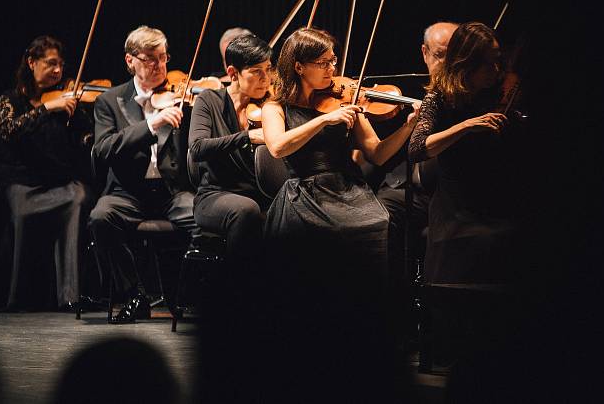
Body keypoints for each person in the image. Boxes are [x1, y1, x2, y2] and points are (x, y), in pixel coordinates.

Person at [260, 28, 419, 272]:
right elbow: (277, 147)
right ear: (299, 67)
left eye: (333, 60)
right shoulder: (276, 107)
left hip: (348, 187)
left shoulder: (347, 101)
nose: (332, 69)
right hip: (305, 192)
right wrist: (324, 120)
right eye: (323, 63)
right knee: (335, 232)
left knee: (380, 221)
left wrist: (409, 127)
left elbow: (377, 153)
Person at [88, 25, 198, 324]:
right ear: (130, 61)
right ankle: (134, 294)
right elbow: (103, 148)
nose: (159, 66)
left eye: (163, 57)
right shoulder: (109, 101)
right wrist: (151, 125)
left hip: (171, 192)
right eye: (150, 59)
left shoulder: (182, 97)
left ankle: (187, 296)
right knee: (100, 218)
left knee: (204, 218)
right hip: (127, 192)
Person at [0, 35, 93, 311]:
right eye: (51, 64)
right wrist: (45, 108)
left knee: (77, 197)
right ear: (31, 62)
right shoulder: (10, 99)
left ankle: (68, 294)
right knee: (22, 210)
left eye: (61, 65)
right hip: (18, 180)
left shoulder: (67, 101)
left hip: (56, 180)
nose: (58, 71)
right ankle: (19, 293)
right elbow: (8, 131)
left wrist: (87, 131)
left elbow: (85, 138)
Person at [408, 21, 517, 284]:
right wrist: (466, 126)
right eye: (488, 64)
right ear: (467, 64)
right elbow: (417, 148)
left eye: (498, 62)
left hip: (494, 201)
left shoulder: (496, 93)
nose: (497, 70)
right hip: (456, 210)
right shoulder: (440, 97)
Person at [376, 22, 459, 281]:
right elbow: (373, 153)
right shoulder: (404, 91)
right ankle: (395, 291)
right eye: (439, 54)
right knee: (384, 212)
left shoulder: (467, 95)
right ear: (425, 53)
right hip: (409, 186)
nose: (447, 63)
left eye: (454, 55)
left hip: (448, 190)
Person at [188, 35, 272, 260]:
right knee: (246, 210)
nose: (267, 79)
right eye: (257, 71)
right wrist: (247, 136)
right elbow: (197, 147)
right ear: (233, 73)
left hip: (263, 195)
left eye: (269, 69)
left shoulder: (271, 105)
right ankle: (235, 291)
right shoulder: (209, 100)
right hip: (215, 195)